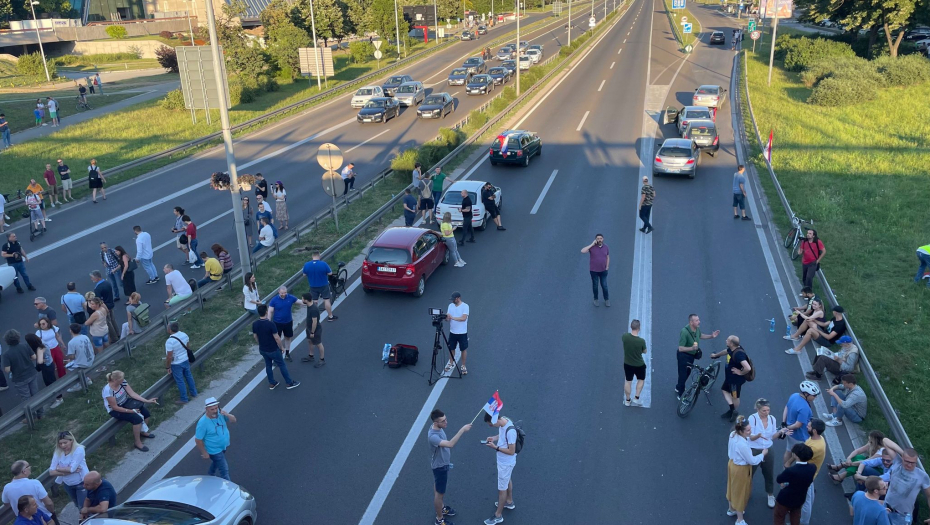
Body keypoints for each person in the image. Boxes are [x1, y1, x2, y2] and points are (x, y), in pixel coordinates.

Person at [428, 409, 472, 525]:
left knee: (438, 488)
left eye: (445, 419)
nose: (446, 422)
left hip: (442, 464)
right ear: (436, 423)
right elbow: (450, 444)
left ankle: (441, 508)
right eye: (443, 421)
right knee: (439, 494)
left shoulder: (438, 427)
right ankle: (439, 519)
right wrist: (462, 430)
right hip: (440, 467)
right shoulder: (433, 436)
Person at [101, 371, 155, 452]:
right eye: (121, 379)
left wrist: (147, 401)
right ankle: (137, 442)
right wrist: (131, 411)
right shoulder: (108, 391)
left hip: (126, 402)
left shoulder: (122, 382)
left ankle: (142, 432)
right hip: (116, 410)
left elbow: (132, 394)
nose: (123, 380)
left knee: (146, 413)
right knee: (137, 419)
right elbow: (115, 407)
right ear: (115, 380)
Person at [880, 436, 930, 524]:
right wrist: (903, 453)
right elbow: (885, 440)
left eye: (912, 463)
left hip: (902, 516)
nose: (909, 465)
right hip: (886, 508)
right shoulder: (897, 462)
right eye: (907, 461)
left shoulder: (922, 476)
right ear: (902, 458)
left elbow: (929, 495)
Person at [726, 416, 766, 525]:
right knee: (740, 493)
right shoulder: (742, 445)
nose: (750, 432)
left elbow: (748, 437)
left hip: (732, 464)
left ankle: (731, 509)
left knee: (732, 488)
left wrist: (756, 435)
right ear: (741, 431)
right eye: (748, 430)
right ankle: (740, 520)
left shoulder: (733, 434)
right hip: (741, 469)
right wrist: (763, 454)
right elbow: (752, 461)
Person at [252, 304, 300, 390]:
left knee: (268, 365)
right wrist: (282, 347)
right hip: (273, 349)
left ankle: (272, 383)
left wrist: (260, 343)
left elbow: (255, 336)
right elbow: (277, 337)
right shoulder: (270, 324)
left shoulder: (255, 324)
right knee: (282, 364)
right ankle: (289, 382)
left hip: (263, 349)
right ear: (266, 312)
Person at [748, 399, 785, 508]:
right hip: (754, 449)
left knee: (769, 473)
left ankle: (770, 494)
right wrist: (758, 435)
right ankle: (746, 491)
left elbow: (772, 436)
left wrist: (780, 432)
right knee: (749, 473)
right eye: (764, 410)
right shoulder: (752, 418)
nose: (766, 412)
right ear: (758, 409)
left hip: (768, 449)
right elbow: (750, 437)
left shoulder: (772, 419)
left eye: (768, 410)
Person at [483, 412, 517, 525]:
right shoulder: (504, 420)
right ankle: (509, 501)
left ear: (494, 420)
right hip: (504, 463)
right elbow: (502, 435)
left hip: (506, 463)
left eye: (490, 424)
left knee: (502, 489)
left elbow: (511, 451)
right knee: (507, 480)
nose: (490, 426)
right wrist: (494, 438)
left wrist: (496, 447)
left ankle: (498, 515)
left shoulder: (511, 432)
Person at [675, 314, 721, 398]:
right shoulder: (684, 332)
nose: (699, 322)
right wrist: (692, 348)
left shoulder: (697, 329)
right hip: (683, 356)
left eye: (698, 320)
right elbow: (680, 348)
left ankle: (678, 387)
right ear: (691, 322)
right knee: (683, 375)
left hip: (691, 356)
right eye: (696, 320)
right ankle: (681, 395)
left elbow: (700, 335)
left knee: (687, 373)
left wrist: (711, 336)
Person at [2, 330, 43, 419]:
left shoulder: (6, 354)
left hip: (20, 378)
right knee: (35, 394)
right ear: (18, 337)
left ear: (7, 341)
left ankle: (31, 417)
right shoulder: (25, 346)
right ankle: (40, 413)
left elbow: (7, 370)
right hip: (31, 373)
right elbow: (34, 357)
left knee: (26, 398)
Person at [195, 397, 236, 481]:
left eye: (216, 408)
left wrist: (227, 414)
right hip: (214, 449)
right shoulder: (202, 423)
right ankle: (228, 486)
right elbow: (198, 440)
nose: (215, 411)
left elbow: (234, 420)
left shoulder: (221, 414)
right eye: (212, 409)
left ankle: (210, 474)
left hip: (223, 446)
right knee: (224, 470)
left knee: (216, 462)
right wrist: (204, 452)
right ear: (207, 409)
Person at [711, 335, 751, 421]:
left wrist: (740, 372)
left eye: (728, 340)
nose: (726, 340)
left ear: (732, 343)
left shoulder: (739, 355)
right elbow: (726, 351)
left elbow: (748, 368)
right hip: (730, 378)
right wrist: (716, 355)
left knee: (735, 396)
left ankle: (733, 411)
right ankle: (732, 410)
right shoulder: (734, 348)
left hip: (735, 381)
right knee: (724, 389)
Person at [774, 444, 817, 525]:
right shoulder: (813, 467)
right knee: (795, 517)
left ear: (796, 455)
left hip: (785, 499)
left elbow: (779, 479)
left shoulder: (791, 471)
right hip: (800, 498)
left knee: (779, 517)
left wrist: (787, 465)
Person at [48, 431, 88, 511]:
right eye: (60, 443)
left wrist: (58, 468)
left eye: (65, 443)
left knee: (83, 507)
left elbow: (71, 469)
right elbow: (51, 471)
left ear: (71, 440)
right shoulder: (58, 452)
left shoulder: (79, 450)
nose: (62, 445)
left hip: (81, 483)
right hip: (68, 484)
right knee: (77, 505)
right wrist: (68, 471)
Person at [783, 381, 819, 464]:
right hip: (799, 436)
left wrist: (784, 423)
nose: (815, 397)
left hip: (790, 433)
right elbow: (798, 425)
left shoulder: (794, 395)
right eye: (814, 395)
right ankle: (789, 468)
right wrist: (786, 428)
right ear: (806, 394)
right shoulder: (804, 407)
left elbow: (786, 407)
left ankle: (785, 467)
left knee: (788, 451)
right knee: (798, 455)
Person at [800, 418, 827, 525]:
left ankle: (803, 522)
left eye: (809, 426)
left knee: (806, 501)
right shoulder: (819, 439)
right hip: (810, 474)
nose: (807, 426)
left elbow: (801, 457)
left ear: (814, 430)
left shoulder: (815, 447)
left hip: (805, 475)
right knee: (809, 496)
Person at [165, 322, 198, 404]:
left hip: (176, 364)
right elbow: (187, 347)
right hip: (185, 359)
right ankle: (194, 393)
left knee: (180, 381)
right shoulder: (184, 335)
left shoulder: (170, 341)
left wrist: (168, 367)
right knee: (189, 376)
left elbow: (169, 356)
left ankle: (184, 398)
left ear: (170, 330)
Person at [302, 252, 337, 321]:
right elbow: (330, 273)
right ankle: (330, 316)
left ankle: (315, 318)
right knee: (326, 300)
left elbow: (304, 275)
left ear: (312, 256)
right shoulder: (323, 264)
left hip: (313, 286)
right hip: (323, 285)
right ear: (319, 256)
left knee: (314, 302)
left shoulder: (307, 264)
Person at [268, 286, 299, 361]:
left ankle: (287, 353)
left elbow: (299, 301)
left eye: (285, 293)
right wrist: (268, 321)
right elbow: (270, 311)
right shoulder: (274, 300)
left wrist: (309, 302)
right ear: (279, 292)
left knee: (288, 337)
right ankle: (278, 356)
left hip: (288, 322)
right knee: (276, 339)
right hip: (277, 323)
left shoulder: (290, 297)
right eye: (282, 293)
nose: (284, 294)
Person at [622, 319, 647, 407]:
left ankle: (627, 400)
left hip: (627, 363)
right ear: (639, 328)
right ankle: (636, 398)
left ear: (631, 326)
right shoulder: (641, 341)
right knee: (641, 379)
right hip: (639, 364)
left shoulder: (625, 336)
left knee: (628, 381)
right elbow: (645, 351)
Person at [581, 234, 610, 307]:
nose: (599, 240)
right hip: (594, 271)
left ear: (603, 239)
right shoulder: (592, 247)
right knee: (595, 286)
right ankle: (596, 299)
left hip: (603, 270)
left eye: (601, 238)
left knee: (604, 286)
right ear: (595, 239)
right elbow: (582, 251)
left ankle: (606, 299)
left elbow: (607, 257)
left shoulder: (606, 247)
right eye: (598, 238)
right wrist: (592, 244)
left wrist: (607, 267)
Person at [445, 292, 469, 375]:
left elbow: (463, 318)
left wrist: (452, 317)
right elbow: (448, 317)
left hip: (462, 332)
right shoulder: (450, 306)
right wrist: (447, 318)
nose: (452, 301)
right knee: (451, 348)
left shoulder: (465, 306)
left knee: (463, 349)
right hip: (453, 332)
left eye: (454, 299)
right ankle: (451, 363)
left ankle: (463, 365)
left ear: (458, 298)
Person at [300, 293, 325, 367]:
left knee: (319, 344)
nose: (302, 300)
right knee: (310, 341)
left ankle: (322, 359)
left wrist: (312, 332)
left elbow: (315, 322)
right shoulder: (309, 305)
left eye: (302, 298)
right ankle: (311, 356)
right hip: (309, 328)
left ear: (306, 300)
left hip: (314, 330)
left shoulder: (313, 309)